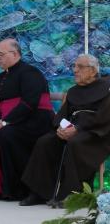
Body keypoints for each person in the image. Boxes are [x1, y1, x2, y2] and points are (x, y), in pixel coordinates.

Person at [0, 38, 54, 200]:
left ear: (14, 54)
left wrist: (4, 122)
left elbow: (30, 103)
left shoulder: (31, 73)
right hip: (8, 122)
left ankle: (17, 190)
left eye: (1, 54)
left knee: (6, 134)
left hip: (33, 121)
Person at [20, 54, 110, 206]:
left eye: (80, 67)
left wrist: (78, 129)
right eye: (74, 66)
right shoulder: (73, 91)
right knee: (45, 142)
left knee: (76, 143)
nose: (75, 70)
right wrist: (62, 129)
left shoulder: (106, 89)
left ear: (93, 71)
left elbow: (104, 117)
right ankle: (39, 193)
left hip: (96, 133)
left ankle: (74, 195)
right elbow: (62, 116)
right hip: (72, 130)